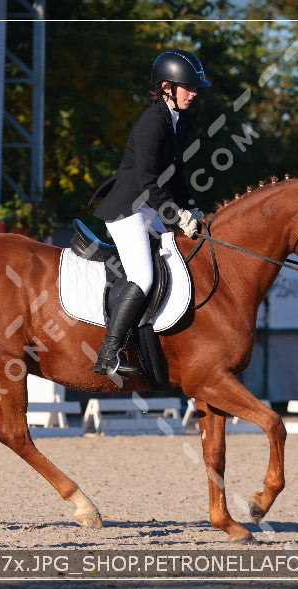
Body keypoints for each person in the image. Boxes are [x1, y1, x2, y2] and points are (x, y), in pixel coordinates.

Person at [90, 49, 210, 376]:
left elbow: (178, 172)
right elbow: (145, 182)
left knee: (181, 250)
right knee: (142, 276)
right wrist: (175, 216)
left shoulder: (179, 120)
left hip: (147, 205)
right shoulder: (150, 123)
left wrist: (189, 208)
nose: (195, 92)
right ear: (167, 87)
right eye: (189, 87)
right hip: (127, 209)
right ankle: (108, 354)